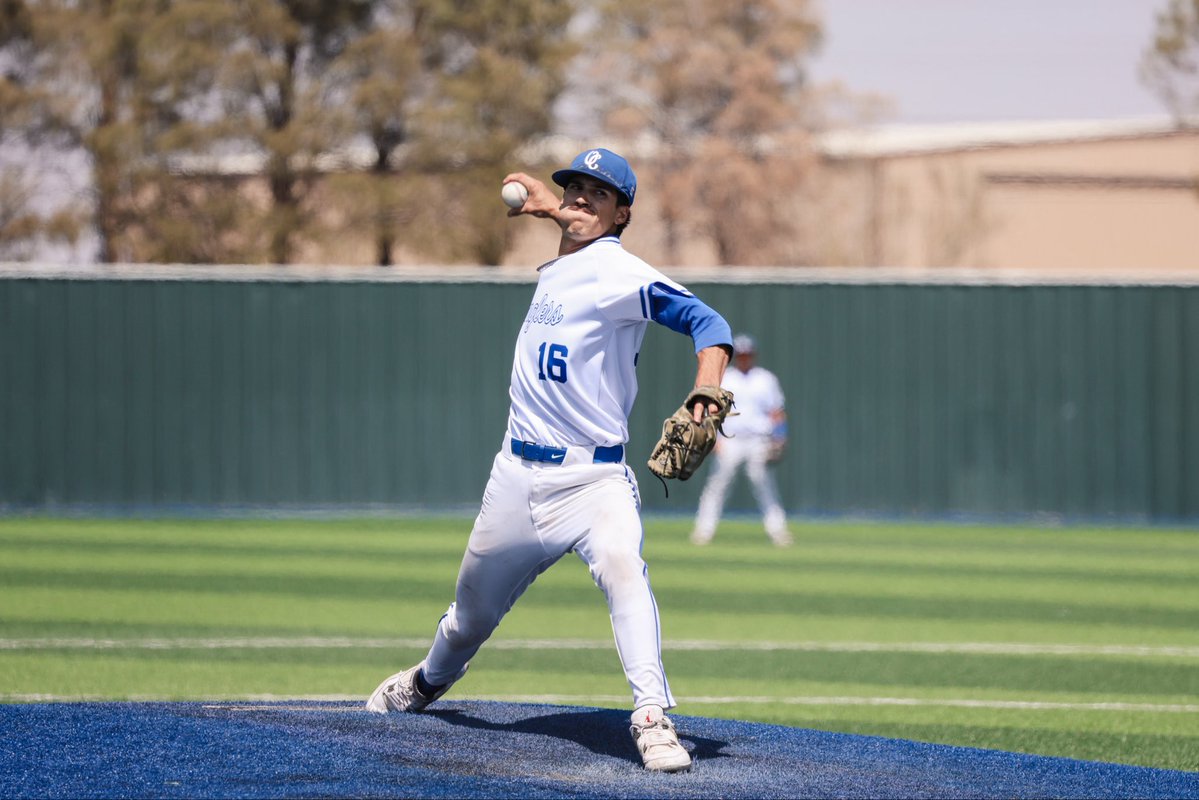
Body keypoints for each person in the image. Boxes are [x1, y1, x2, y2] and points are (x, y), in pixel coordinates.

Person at [366, 147, 733, 774]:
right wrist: (549, 209)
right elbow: (573, 234)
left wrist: (705, 388)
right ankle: (426, 682)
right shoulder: (563, 265)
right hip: (515, 477)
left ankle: (651, 716)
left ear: (623, 214)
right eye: (576, 187)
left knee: (623, 566)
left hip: (593, 479)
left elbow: (708, 320)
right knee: (467, 620)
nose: (584, 197)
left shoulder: (619, 271)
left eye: (601, 193)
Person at [691, 333, 792, 547]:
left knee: (764, 485)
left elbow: (776, 411)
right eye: (742, 354)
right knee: (718, 484)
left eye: (748, 354)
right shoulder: (726, 377)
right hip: (731, 439)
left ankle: (778, 531)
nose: (745, 358)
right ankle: (703, 531)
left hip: (758, 440)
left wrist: (780, 436)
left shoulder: (765, 379)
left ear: (753, 355)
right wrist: (714, 438)